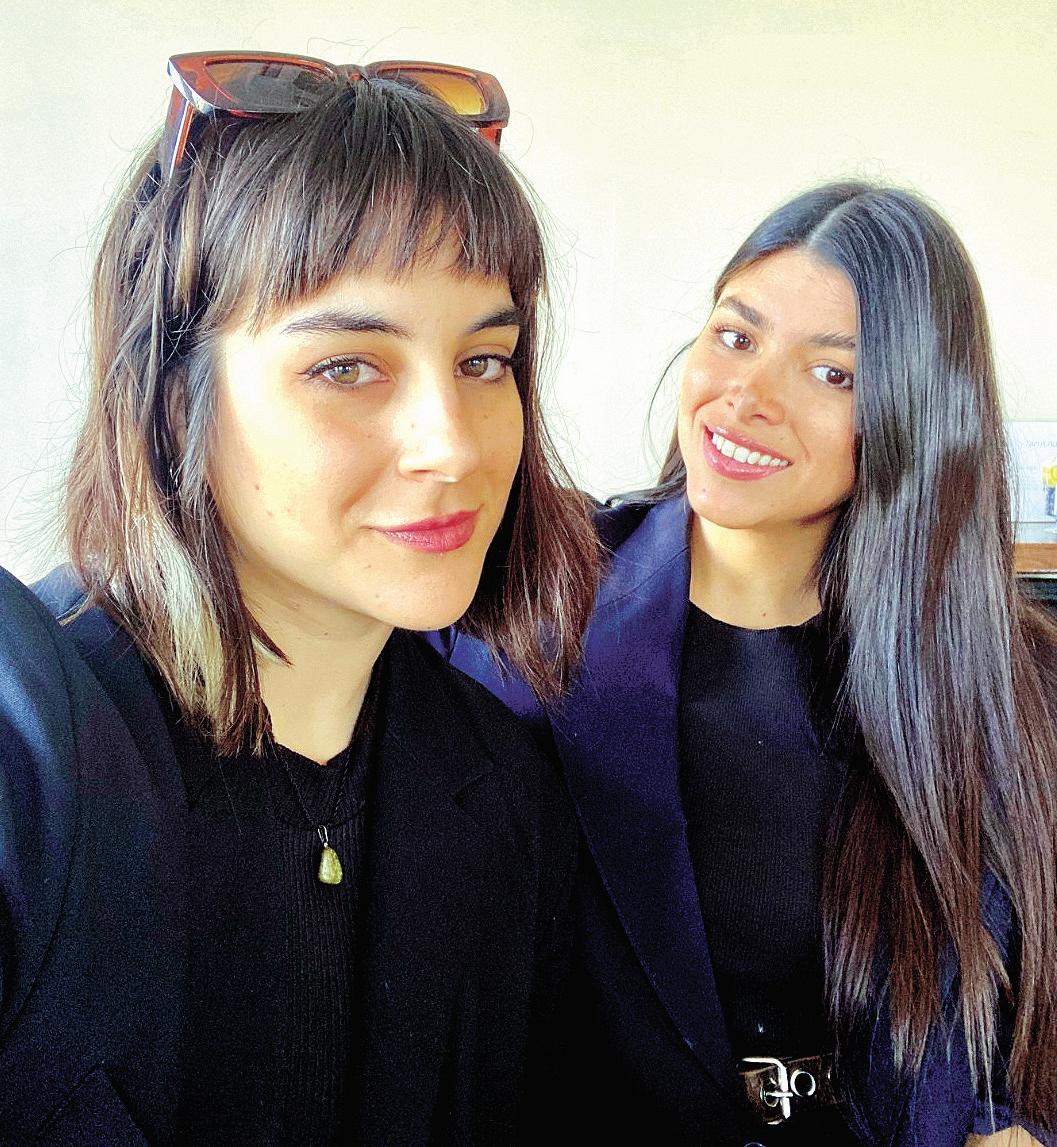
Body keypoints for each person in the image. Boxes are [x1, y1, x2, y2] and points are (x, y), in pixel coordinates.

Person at [0, 51, 599, 1145]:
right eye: (347, 366)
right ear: (171, 396)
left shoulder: (509, 797)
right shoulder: (29, 753)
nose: (452, 447)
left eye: (484, 361)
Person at [435, 182, 1057, 1146]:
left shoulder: (1012, 682)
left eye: (833, 375)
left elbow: (1014, 1024)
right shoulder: (525, 611)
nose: (748, 397)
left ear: (917, 416)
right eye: (735, 336)